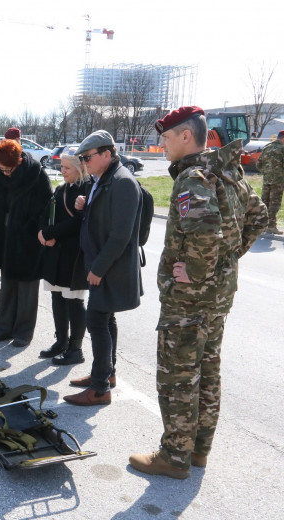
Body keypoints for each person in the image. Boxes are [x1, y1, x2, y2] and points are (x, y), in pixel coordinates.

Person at [129, 106, 267, 479]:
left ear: (185, 136)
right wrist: (226, 261)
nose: (163, 143)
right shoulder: (228, 170)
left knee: (177, 376)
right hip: (219, 297)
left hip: (189, 301)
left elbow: (206, 230)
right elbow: (260, 215)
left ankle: (174, 456)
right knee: (206, 370)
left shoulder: (193, 177)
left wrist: (193, 272)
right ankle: (198, 451)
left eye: (167, 136)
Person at [63, 130, 142, 407]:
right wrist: (85, 206)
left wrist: (97, 268)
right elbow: (103, 219)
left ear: (107, 154)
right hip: (102, 264)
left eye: (87, 157)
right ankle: (107, 376)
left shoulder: (122, 182)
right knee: (106, 320)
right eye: (82, 158)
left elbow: (120, 235)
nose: (84, 162)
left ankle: (99, 389)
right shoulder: (102, 179)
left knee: (96, 320)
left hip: (109, 268)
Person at [0, 139, 51, 347]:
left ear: (19, 161)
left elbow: (46, 206)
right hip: (4, 237)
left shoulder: (36, 174)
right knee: (8, 285)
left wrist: (31, 227)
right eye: (1, 169)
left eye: (8, 169)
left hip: (28, 239)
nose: (5, 173)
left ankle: (23, 332)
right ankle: (3, 328)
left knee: (27, 290)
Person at [37, 153, 92, 364]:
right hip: (55, 254)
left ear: (80, 169)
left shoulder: (85, 189)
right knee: (57, 298)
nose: (63, 171)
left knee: (74, 301)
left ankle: (75, 349)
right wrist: (41, 232)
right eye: (62, 167)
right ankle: (61, 341)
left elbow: (79, 222)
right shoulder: (62, 188)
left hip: (73, 256)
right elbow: (46, 212)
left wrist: (50, 234)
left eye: (68, 167)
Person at [256, 130, 284, 234]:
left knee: (265, 202)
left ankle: (263, 225)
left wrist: (266, 172)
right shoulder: (282, 149)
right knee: (274, 204)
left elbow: (258, 164)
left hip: (267, 180)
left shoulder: (266, 148)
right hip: (278, 181)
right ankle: (271, 226)